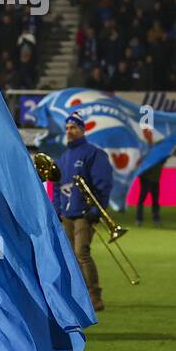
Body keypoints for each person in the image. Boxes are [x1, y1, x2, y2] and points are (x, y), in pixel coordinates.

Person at [54, 113, 114, 311]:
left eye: (74, 127)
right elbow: (56, 186)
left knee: (82, 253)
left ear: (82, 129)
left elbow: (103, 184)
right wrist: (57, 210)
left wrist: (96, 210)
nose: (70, 131)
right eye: (68, 128)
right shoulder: (63, 158)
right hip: (67, 216)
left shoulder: (93, 153)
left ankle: (95, 296)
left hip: (83, 214)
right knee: (72, 257)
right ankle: (80, 298)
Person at [135, 141, 164, 228]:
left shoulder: (159, 156)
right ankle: (141, 219)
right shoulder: (148, 156)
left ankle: (153, 219)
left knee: (153, 201)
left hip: (153, 180)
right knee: (144, 200)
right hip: (147, 180)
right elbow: (138, 165)